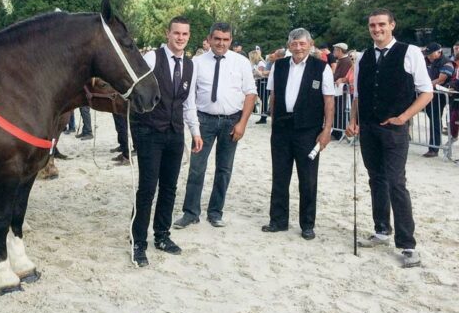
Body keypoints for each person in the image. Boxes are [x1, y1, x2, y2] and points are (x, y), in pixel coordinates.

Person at [346, 9, 433, 268]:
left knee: (396, 182)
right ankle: (382, 229)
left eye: (382, 24)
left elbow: (426, 92)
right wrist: (353, 120)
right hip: (369, 128)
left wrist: (403, 117)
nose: (377, 29)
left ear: (392, 25)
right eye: (372, 25)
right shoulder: (363, 57)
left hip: (395, 129)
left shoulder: (410, 52)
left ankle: (408, 244)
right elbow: (359, 94)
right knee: (376, 179)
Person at [130, 16, 202, 267]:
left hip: (175, 132)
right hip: (150, 132)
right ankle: (138, 241)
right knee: (147, 189)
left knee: (170, 187)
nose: (180, 38)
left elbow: (189, 102)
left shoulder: (190, 66)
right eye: (176, 33)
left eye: (185, 34)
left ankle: (162, 235)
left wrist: (195, 131)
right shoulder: (152, 58)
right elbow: (135, 95)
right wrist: (136, 131)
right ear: (167, 34)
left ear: (189, 36)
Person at [173, 22, 257, 229]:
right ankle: (191, 212)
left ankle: (215, 212)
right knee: (196, 168)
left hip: (232, 121)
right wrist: (193, 126)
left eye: (225, 39)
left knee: (224, 169)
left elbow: (250, 93)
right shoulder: (197, 62)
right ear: (209, 39)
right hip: (204, 121)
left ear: (230, 40)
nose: (221, 43)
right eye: (217, 39)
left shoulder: (242, 62)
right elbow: (189, 96)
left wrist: (242, 124)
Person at [262, 28, 334, 240]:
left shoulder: (321, 68)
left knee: (308, 179)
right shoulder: (279, 66)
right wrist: (274, 124)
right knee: (280, 176)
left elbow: (329, 100)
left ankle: (307, 224)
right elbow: (274, 96)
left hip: (309, 131)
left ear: (310, 44)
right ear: (289, 45)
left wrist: (326, 130)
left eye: (302, 43)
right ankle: (278, 220)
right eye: (294, 43)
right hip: (282, 129)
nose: (298, 47)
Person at [422, 42, 453, 157]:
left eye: (430, 53)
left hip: (439, 96)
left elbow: (440, 80)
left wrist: (423, 85)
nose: (428, 56)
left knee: (435, 120)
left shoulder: (447, 63)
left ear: (438, 52)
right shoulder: (428, 61)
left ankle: (434, 148)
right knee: (434, 120)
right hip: (429, 93)